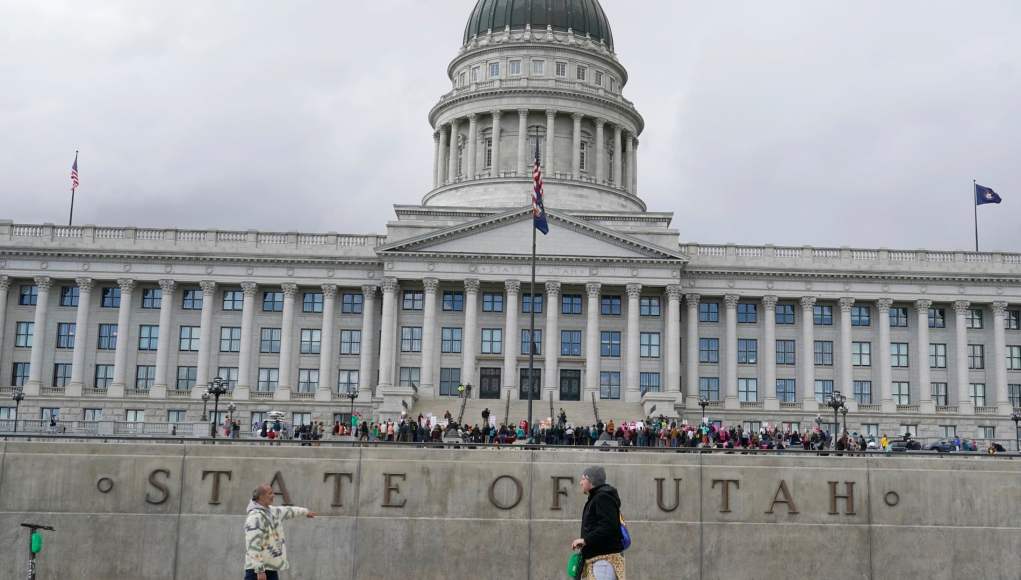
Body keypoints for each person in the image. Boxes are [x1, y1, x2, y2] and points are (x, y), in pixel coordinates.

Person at [244, 483, 316, 580]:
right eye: (270, 493)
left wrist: (305, 512)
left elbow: (288, 511)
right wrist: (259, 570)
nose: (273, 495)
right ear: (261, 496)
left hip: (271, 568)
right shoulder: (255, 517)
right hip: (256, 571)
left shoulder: (272, 511)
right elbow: (253, 545)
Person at [571, 466, 626, 580]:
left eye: (583, 479)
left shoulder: (602, 497)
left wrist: (585, 540)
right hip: (599, 562)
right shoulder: (597, 497)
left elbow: (608, 526)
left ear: (591, 480)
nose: (580, 483)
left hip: (603, 562)